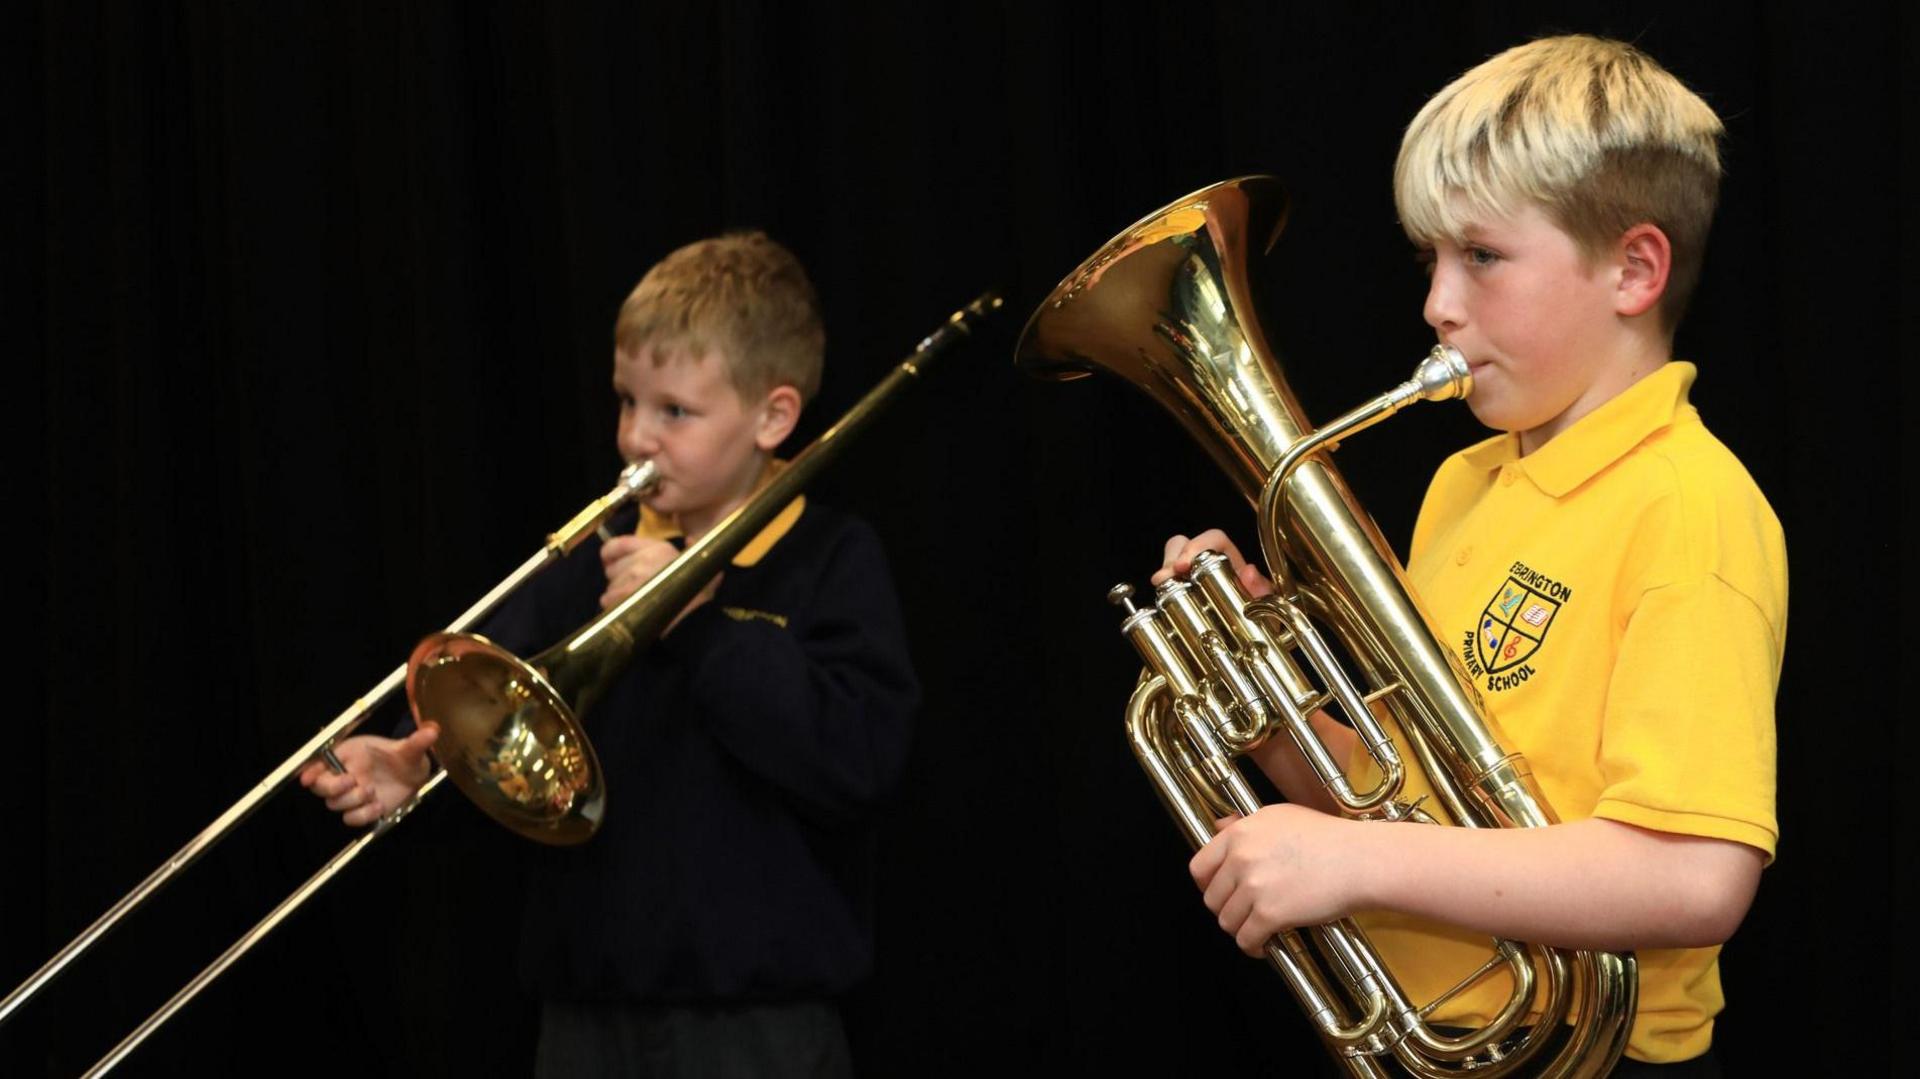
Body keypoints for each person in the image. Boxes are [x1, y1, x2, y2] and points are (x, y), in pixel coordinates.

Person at [1155, 35, 1783, 1073]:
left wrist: (1353, 857)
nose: (1438, 304)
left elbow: (1697, 876)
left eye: (1482, 258)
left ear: (1634, 269)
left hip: (1602, 1053)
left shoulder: (1689, 505)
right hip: (1450, 1034)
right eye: (1429, 261)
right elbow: (1413, 801)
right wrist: (1268, 718)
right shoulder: (1464, 484)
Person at [299, 231, 919, 1078]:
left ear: (773, 416)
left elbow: (858, 760)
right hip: (584, 1020)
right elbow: (492, 709)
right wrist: (416, 762)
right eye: (627, 402)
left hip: (759, 1029)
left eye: (675, 411)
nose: (636, 437)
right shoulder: (589, 554)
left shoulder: (831, 559)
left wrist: (698, 619)